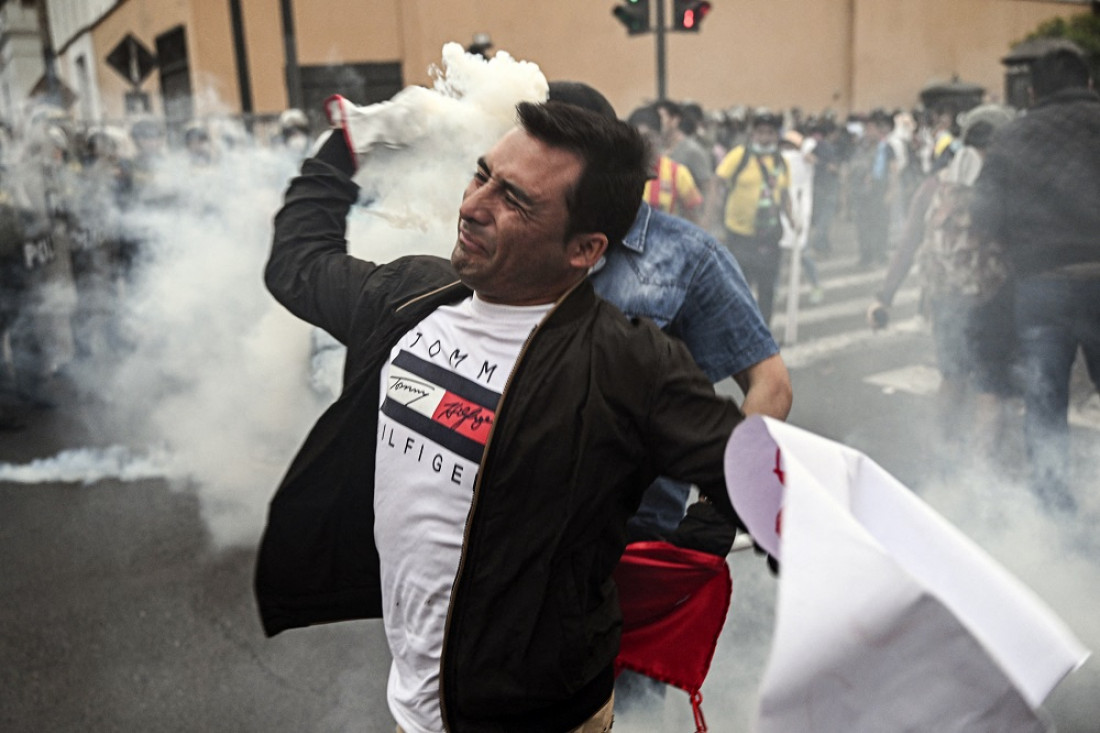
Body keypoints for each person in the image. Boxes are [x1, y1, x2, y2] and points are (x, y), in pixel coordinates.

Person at [256, 99, 756, 732]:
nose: (471, 205)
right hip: (415, 708)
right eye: (481, 173)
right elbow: (296, 261)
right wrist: (352, 141)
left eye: (515, 200)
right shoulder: (410, 297)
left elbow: (757, 476)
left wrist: (688, 551)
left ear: (585, 249)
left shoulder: (626, 363)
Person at [549, 80, 791, 718]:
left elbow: (770, 383)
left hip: (633, 540)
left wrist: (722, 501)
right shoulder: (521, 237)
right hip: (518, 528)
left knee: (621, 708)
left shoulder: (687, 256)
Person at [971, 48, 1100, 513]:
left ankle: (1053, 510)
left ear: (1032, 91)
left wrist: (1022, 248)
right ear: (1087, 83)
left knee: (1045, 401)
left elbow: (983, 213)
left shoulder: (1014, 136)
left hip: (1043, 285)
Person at [869, 104, 1017, 463]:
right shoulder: (1006, 185)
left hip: (945, 300)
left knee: (952, 376)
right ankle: (983, 471)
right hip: (992, 300)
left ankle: (942, 456)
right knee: (991, 385)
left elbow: (907, 245)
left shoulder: (935, 184)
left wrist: (883, 298)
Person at [708, 109, 793, 327]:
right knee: (740, 286)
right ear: (753, 134)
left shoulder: (781, 162)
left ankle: (763, 331)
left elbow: (784, 194)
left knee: (767, 288)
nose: (765, 137)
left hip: (769, 235)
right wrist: (712, 215)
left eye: (770, 133)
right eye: (760, 132)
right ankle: (739, 329)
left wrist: (794, 220)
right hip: (740, 235)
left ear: (776, 135)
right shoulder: (739, 156)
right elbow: (717, 181)